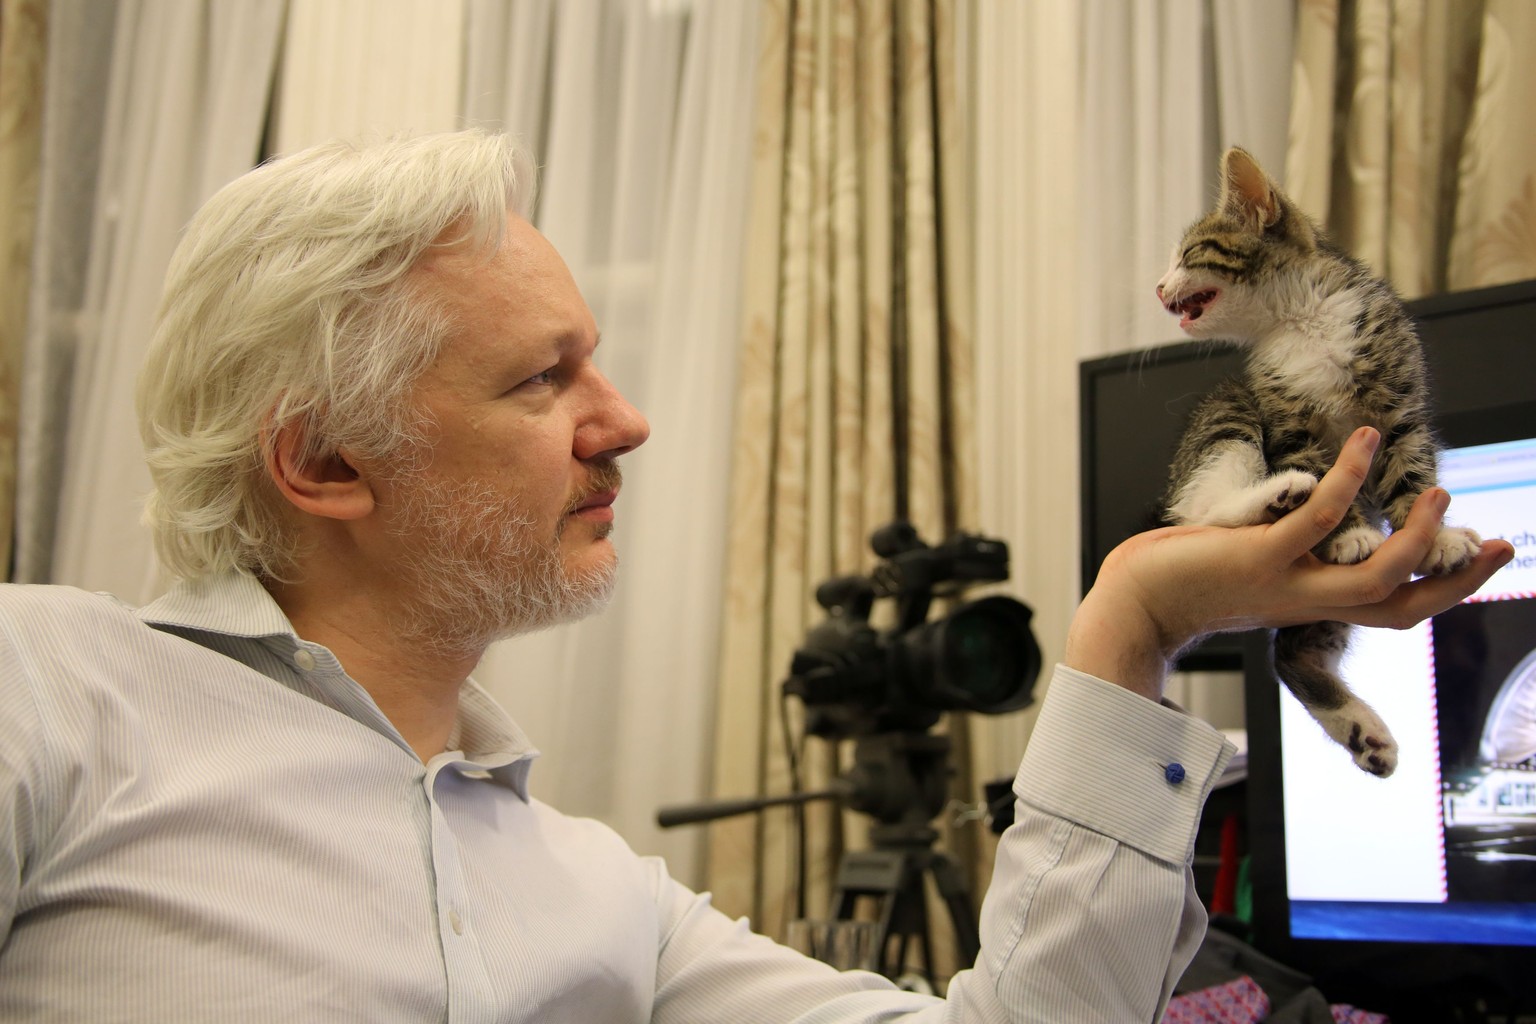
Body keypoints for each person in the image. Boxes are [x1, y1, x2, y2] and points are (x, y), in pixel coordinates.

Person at [0, 130, 1511, 1023]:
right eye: (543, 378)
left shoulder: (605, 906)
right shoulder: (50, 695)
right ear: (326, 462)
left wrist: (1142, 615)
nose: (626, 421)